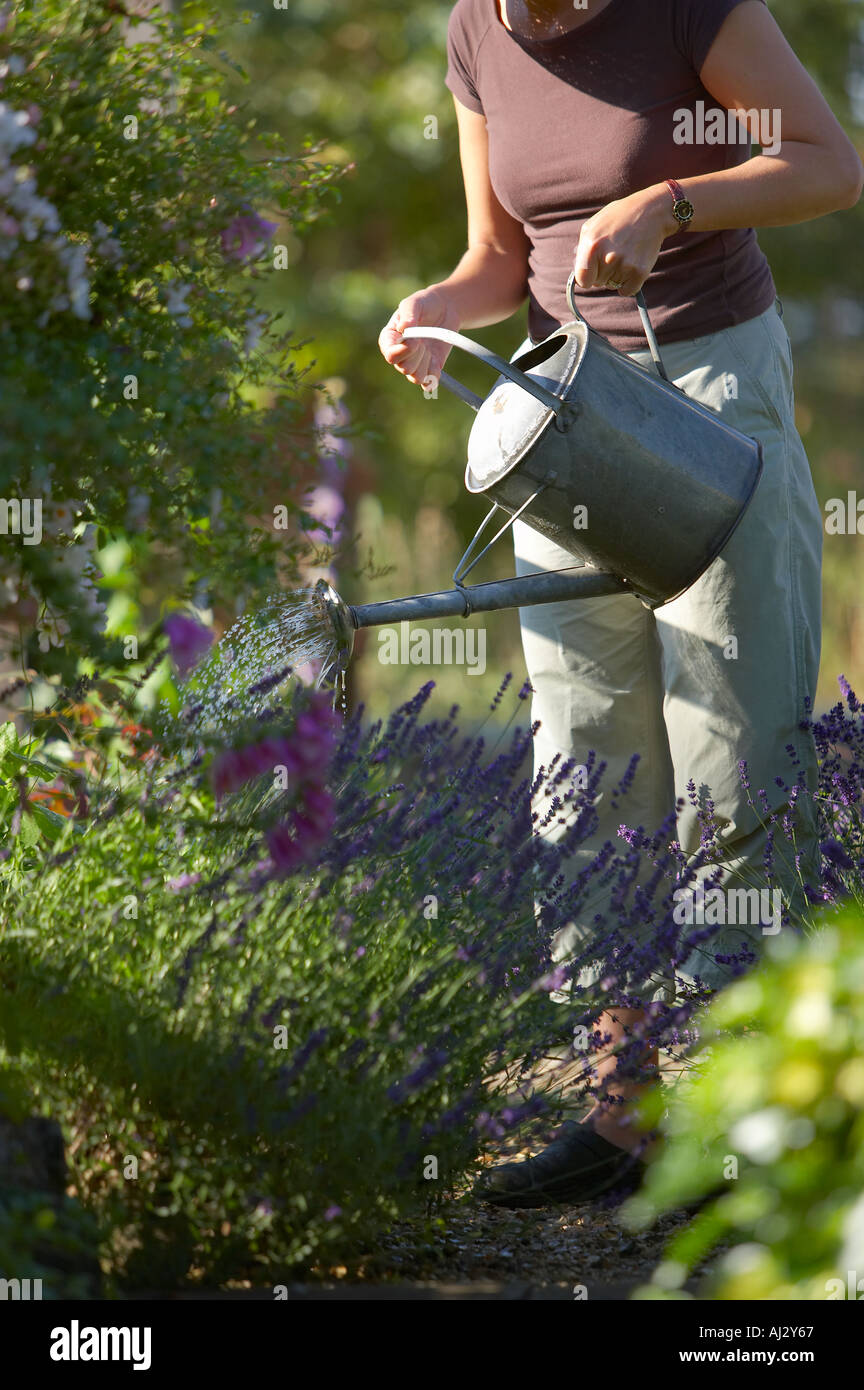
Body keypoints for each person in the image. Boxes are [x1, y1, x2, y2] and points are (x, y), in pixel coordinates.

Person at [378, 0, 863, 1208]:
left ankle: (760, 1115)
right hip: (564, 412)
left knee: (735, 741)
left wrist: (671, 202)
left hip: (708, 383)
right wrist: (437, 309)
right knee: (586, 752)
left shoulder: (688, 8)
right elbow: (497, 257)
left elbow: (828, 163)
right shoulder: (474, 36)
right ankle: (623, 1111)